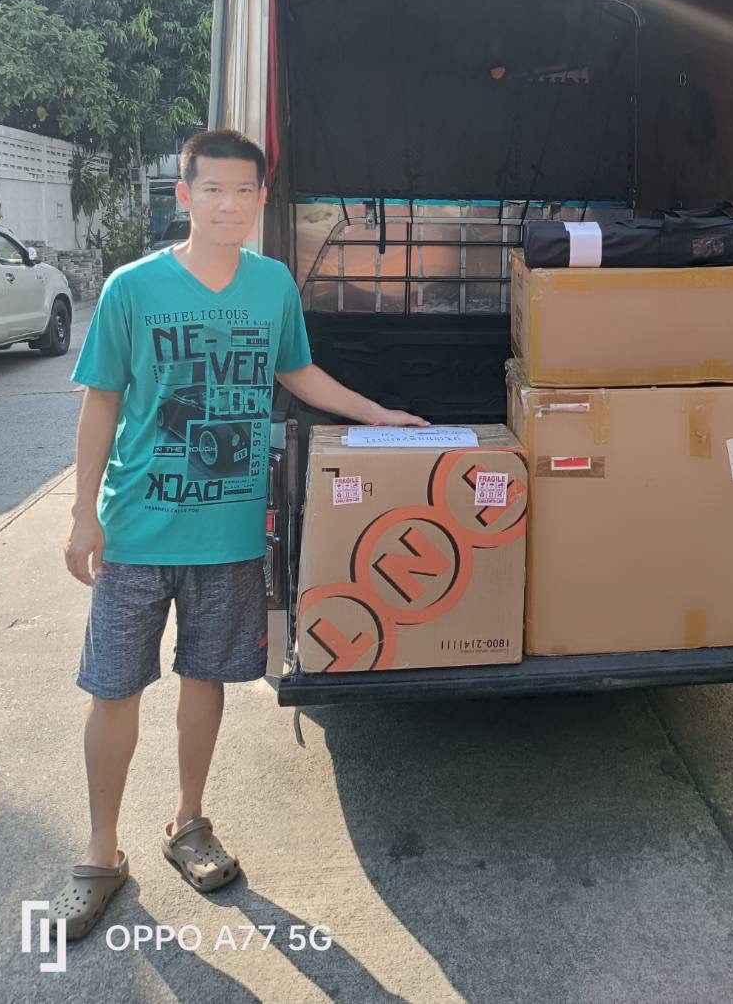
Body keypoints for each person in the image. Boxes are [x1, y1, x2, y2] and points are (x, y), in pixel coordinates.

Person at [49, 129, 427, 940]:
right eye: (212, 189)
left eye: (243, 190)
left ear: (260, 199)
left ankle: (188, 822)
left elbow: (296, 370)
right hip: (138, 529)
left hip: (229, 531)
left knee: (207, 679)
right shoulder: (131, 287)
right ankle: (100, 852)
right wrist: (83, 511)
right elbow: (101, 400)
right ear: (184, 195)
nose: (228, 203)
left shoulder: (273, 284)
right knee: (112, 687)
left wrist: (376, 413)